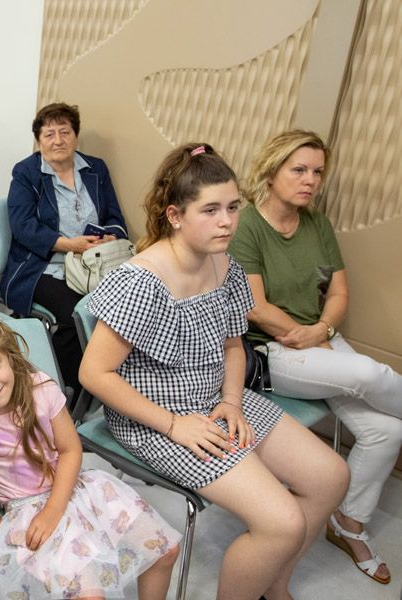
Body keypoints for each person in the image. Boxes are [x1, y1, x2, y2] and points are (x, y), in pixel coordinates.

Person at [79, 143, 350, 600]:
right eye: (210, 210)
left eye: (232, 207)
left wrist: (231, 401)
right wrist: (174, 424)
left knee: (332, 476)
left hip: (216, 401)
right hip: (156, 418)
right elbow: (94, 374)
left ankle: (272, 584)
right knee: (281, 522)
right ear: (175, 215)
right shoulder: (141, 281)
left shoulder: (224, 263)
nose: (227, 222)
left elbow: (232, 345)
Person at [230, 129, 402, 586]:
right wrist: (303, 336)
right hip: (270, 350)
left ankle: (348, 524)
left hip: (318, 340)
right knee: (369, 373)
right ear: (272, 171)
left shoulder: (317, 225)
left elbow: (338, 291)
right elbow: (255, 307)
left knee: (388, 431)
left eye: (318, 172)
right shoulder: (246, 226)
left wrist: (321, 331)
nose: (310, 180)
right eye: (299, 170)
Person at [0, 304, 180, 599]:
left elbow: (70, 450)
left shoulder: (40, 388)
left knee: (165, 551)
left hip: (77, 489)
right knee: (89, 595)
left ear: (8, 354)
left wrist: (54, 510)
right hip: (26, 510)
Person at [2, 102, 128, 398]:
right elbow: (22, 226)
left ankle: (108, 377)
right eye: (49, 134)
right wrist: (68, 245)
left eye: (65, 132)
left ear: (75, 135)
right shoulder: (27, 172)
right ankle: (67, 389)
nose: (58, 140)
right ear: (39, 140)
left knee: (124, 306)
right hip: (44, 266)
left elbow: (114, 216)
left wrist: (109, 237)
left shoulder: (96, 168)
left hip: (94, 263)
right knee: (76, 315)